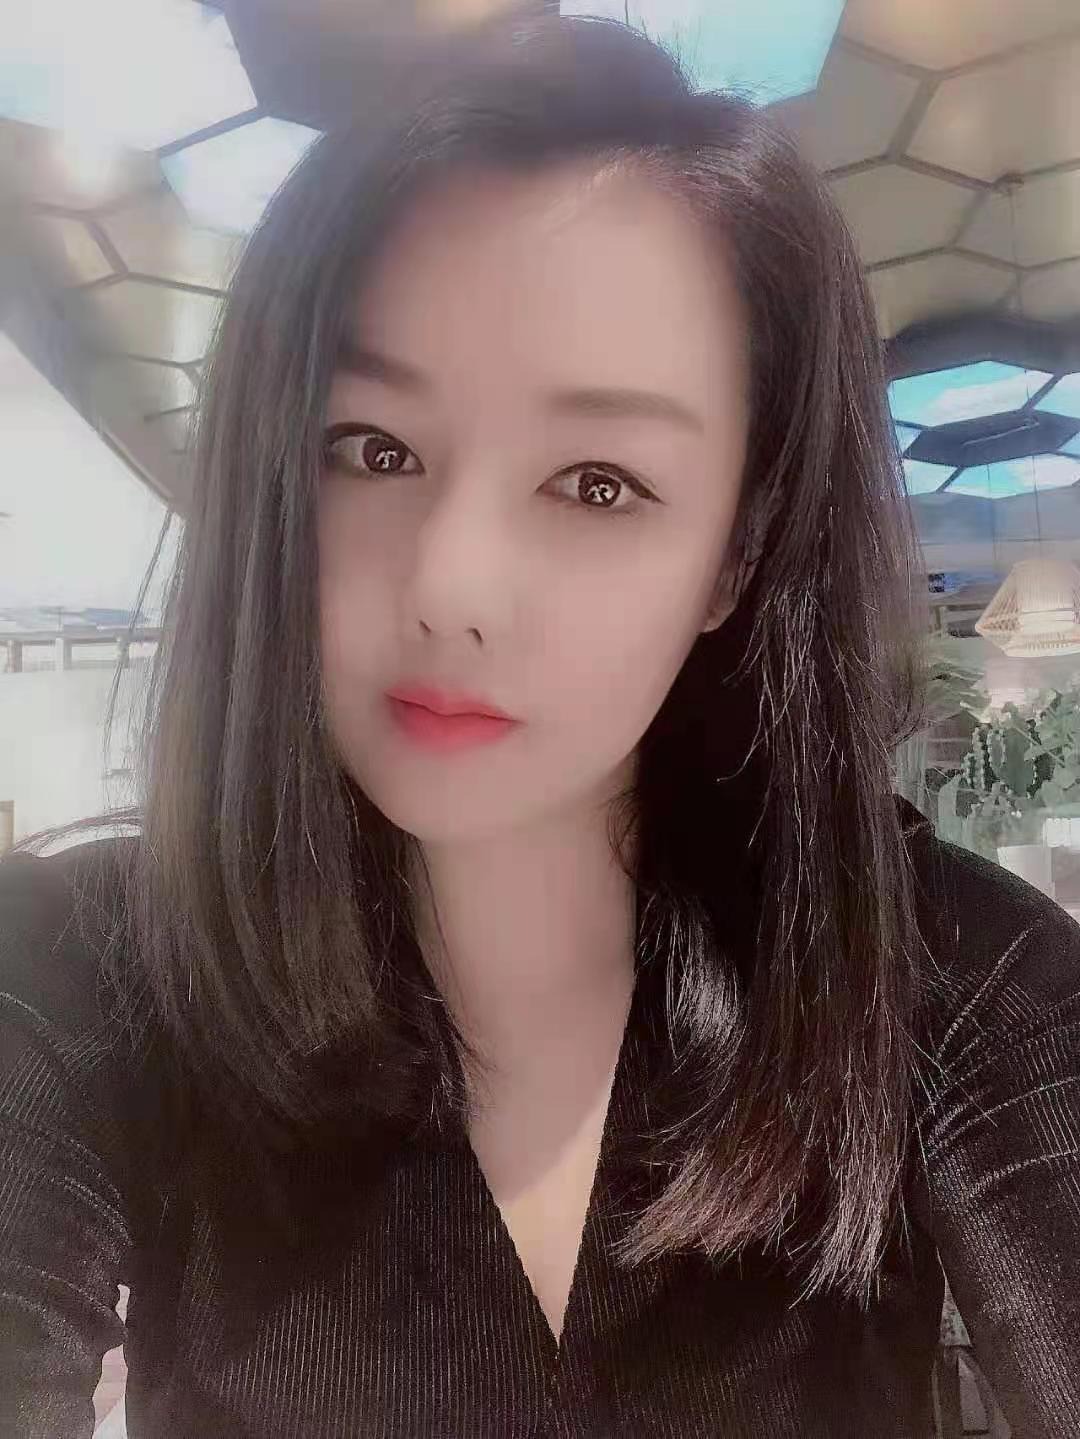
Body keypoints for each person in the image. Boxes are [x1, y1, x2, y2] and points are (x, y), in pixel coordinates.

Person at [2, 14, 1078, 1438]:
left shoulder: (939, 975)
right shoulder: (83, 976)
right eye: (374, 449)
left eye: (597, 483)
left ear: (736, 556)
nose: (450, 586)